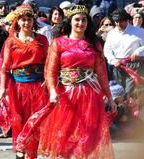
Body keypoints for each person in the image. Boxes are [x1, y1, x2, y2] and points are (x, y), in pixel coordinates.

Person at [38, 5, 116, 159]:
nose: (81, 23)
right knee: (66, 136)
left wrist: (110, 97)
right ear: (70, 21)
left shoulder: (94, 44)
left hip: (90, 95)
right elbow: (50, 71)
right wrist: (53, 91)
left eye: (84, 20)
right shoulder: (58, 43)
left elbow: (102, 74)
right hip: (66, 94)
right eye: (77, 20)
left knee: (88, 136)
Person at [0, 4, 49, 159]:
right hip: (18, 86)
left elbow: (48, 63)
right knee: (19, 119)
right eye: (23, 20)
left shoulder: (42, 39)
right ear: (17, 22)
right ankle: (21, 146)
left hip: (38, 86)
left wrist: (49, 82)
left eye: (29, 19)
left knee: (36, 120)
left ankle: (31, 153)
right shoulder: (10, 41)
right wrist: (2, 88)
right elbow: (5, 67)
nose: (26, 23)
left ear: (34, 21)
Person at [104, 8, 144, 97]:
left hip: (134, 65)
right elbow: (107, 50)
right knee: (120, 93)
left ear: (127, 20)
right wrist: (113, 60)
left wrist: (138, 52)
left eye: (121, 21)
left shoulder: (139, 32)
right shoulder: (111, 34)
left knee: (130, 93)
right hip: (117, 66)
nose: (118, 24)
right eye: (116, 21)